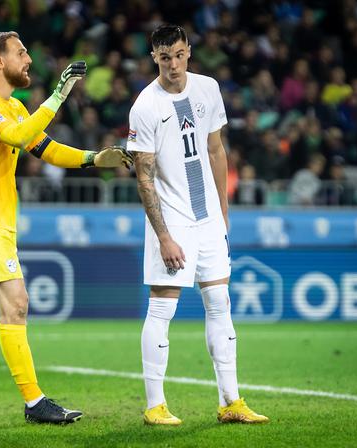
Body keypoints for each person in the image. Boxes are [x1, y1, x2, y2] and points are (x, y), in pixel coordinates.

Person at [0, 31, 131, 425]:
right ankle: (35, 403)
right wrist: (59, 95)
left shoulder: (17, 108)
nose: (29, 59)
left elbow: (46, 148)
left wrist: (93, 159)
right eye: (21, 53)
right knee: (16, 303)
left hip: (0, 222)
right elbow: (17, 137)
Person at [126, 25, 268, 426]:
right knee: (162, 307)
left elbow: (215, 149)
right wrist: (164, 235)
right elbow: (144, 177)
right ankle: (155, 405)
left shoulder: (208, 88)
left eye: (179, 54)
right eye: (164, 57)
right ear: (154, 57)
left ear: (189, 51)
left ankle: (230, 402)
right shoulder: (145, 106)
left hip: (208, 221)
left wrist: (223, 212)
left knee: (220, 304)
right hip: (171, 221)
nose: (173, 64)